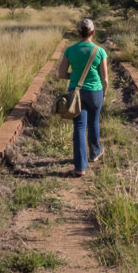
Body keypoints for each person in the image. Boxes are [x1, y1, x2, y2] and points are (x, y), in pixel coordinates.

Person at [56, 18, 109, 176]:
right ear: (93, 32)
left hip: (76, 92)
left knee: (79, 127)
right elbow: (105, 79)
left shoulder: (70, 50)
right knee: (94, 122)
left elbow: (60, 73)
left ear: (78, 32)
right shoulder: (100, 51)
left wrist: (74, 77)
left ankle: (80, 167)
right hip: (95, 92)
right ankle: (94, 153)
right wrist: (104, 94)